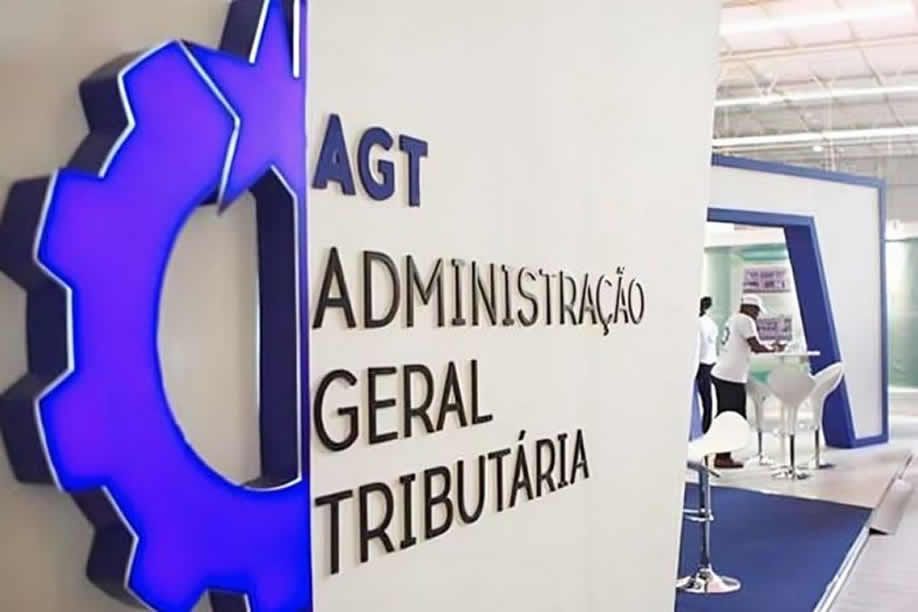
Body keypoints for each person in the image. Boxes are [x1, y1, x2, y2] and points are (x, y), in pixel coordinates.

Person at [711, 294, 784, 469]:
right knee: (732, 417)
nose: (757, 316)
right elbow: (756, 347)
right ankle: (722, 457)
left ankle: (722, 455)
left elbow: (749, 344)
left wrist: (769, 347)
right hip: (730, 376)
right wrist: (774, 349)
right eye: (757, 311)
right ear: (750, 308)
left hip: (724, 373)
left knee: (728, 416)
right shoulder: (746, 320)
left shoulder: (734, 319)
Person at [696, 297, 718, 433]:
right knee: (707, 399)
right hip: (710, 362)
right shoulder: (710, 322)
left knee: (704, 399)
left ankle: (703, 428)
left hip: (701, 364)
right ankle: (706, 427)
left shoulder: (697, 323)